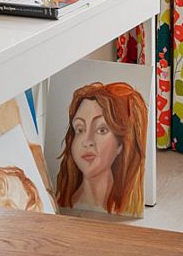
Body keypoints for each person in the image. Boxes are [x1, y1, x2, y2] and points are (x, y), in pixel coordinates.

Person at [55, 81, 147, 217]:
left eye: (101, 129)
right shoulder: (63, 202)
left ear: (121, 144)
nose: (87, 141)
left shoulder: (126, 205)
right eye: (79, 129)